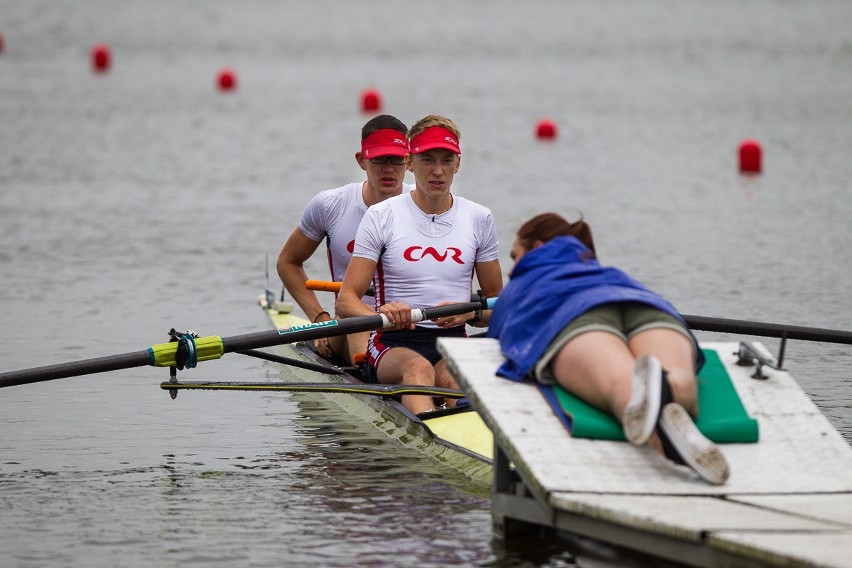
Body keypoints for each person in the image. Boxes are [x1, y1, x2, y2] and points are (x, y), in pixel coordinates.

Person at [487, 212, 730, 485]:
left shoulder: (525, 279)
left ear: (538, 248)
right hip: (643, 303)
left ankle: (665, 441)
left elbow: (498, 336)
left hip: (572, 316)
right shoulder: (602, 269)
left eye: (514, 255)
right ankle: (672, 390)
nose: (511, 269)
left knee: (620, 384)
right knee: (681, 379)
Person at [335, 115, 504, 415]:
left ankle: (468, 444)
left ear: (458, 163)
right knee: (418, 370)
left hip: (452, 341)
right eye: (427, 160)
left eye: (446, 160)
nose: (437, 171)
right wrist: (382, 314)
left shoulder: (479, 218)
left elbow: (498, 306)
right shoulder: (382, 216)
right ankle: (428, 450)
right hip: (392, 344)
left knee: (454, 379)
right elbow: (346, 302)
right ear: (411, 163)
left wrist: (472, 311)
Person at [277, 114, 413, 365]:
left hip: (409, 327)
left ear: (409, 160)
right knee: (359, 320)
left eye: (396, 159)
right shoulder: (331, 205)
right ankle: (372, 384)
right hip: (351, 325)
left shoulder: (425, 207)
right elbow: (288, 262)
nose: (388, 168)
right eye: (379, 158)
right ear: (362, 160)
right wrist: (319, 318)